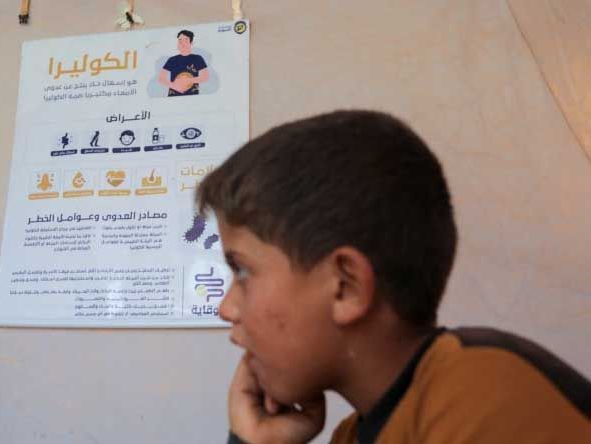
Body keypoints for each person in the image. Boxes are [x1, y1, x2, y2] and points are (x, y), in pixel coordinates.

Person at [195, 110, 591, 444]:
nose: (226, 308)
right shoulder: (354, 434)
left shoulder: (484, 397)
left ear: (346, 287)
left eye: (242, 270)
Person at [158, 30, 209, 97]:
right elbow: (161, 78)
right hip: (173, 97)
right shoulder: (172, 60)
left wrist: (187, 80)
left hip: (192, 97)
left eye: (186, 40)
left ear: (191, 43)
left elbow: (205, 77)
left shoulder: (197, 58)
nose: (182, 43)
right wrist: (175, 86)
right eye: (180, 40)